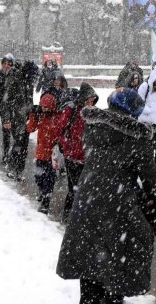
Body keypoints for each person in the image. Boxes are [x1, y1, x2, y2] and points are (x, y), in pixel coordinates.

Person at [56, 88, 156, 304]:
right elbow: (149, 179)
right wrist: (151, 198)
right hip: (118, 207)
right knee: (114, 268)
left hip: (88, 200)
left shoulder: (93, 127)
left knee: (89, 264)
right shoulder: (137, 136)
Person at [58, 83, 99, 224]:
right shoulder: (72, 111)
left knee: (84, 189)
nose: (91, 102)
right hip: (72, 157)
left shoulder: (94, 113)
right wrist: (66, 147)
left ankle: (79, 218)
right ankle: (68, 217)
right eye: (88, 99)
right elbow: (60, 129)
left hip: (87, 158)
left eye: (93, 99)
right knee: (74, 189)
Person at [26, 90, 60, 214]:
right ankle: (41, 190)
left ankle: (46, 202)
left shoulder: (57, 117)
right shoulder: (39, 115)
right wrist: (33, 115)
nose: (45, 110)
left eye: (47, 107)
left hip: (52, 155)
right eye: (43, 107)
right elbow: (30, 128)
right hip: (41, 153)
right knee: (39, 176)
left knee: (49, 180)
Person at [3, 59, 36, 179]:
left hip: (26, 118)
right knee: (18, 142)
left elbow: (30, 100)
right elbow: (6, 101)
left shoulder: (29, 82)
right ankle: (12, 167)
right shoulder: (15, 79)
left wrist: (32, 115)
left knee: (24, 145)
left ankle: (19, 171)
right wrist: (7, 119)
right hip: (16, 116)